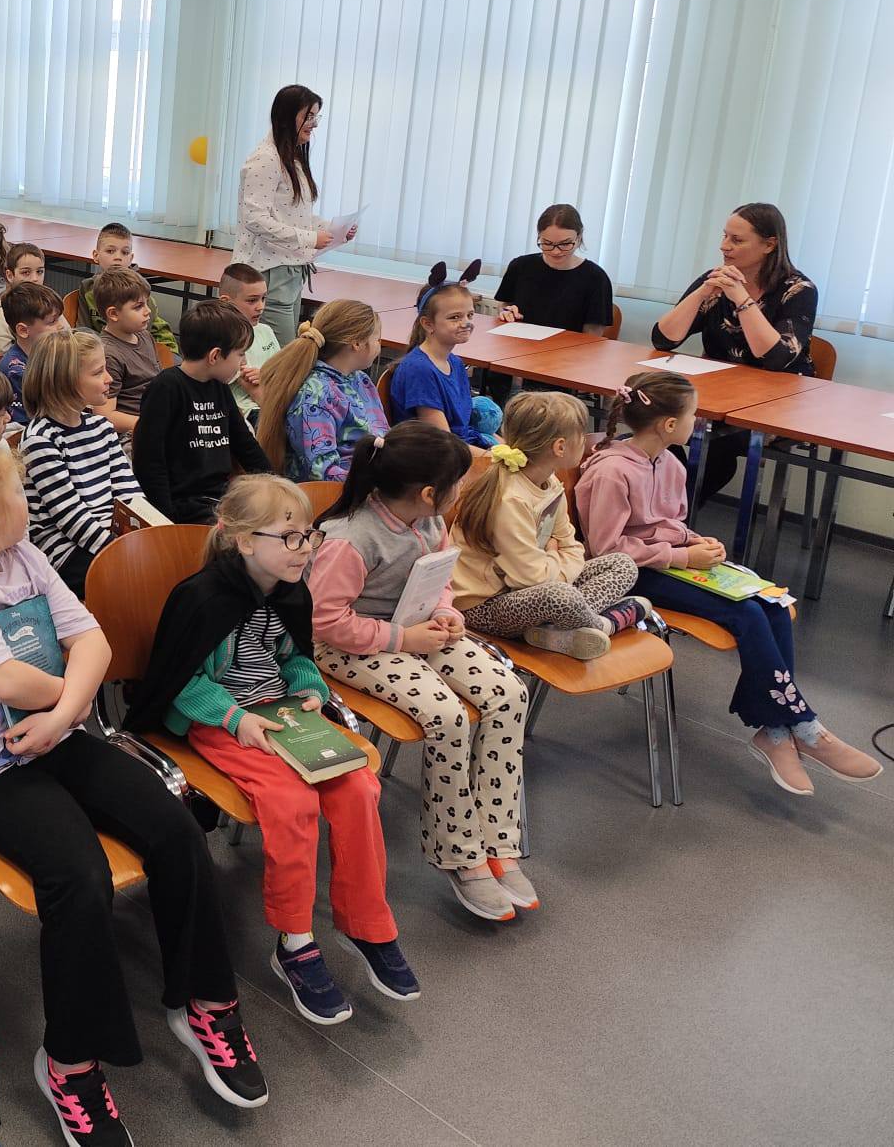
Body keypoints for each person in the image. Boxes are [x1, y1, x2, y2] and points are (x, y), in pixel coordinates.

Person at [0, 444, 265, 1138]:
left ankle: (205, 1002)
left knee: (177, 827)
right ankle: (69, 1063)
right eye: (20, 491)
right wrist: (72, 700)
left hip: (55, 738)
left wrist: (63, 716)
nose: (28, 503)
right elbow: (6, 680)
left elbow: (92, 642)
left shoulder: (24, 556)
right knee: (79, 876)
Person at [126, 475, 419, 1025]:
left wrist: (310, 689)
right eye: (289, 537)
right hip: (221, 719)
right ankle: (294, 941)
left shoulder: (290, 593)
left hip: (281, 712)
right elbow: (179, 681)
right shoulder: (200, 598)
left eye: (308, 535)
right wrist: (236, 719)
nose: (304, 548)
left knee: (359, 786)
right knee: (291, 802)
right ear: (242, 540)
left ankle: (366, 923)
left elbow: (296, 659)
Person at [575, 370, 882, 793]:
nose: (698, 421)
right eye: (693, 414)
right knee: (747, 615)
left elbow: (670, 523)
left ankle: (777, 732)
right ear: (669, 424)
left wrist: (694, 541)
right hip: (630, 576)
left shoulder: (669, 462)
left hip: (669, 562)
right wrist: (683, 555)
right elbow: (605, 549)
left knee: (772, 605)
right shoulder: (611, 471)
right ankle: (803, 727)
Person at [308, 426, 537, 921]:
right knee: (447, 716)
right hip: (351, 646)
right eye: (459, 481)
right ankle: (461, 856)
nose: (464, 488)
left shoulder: (431, 519)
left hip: (417, 628)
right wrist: (402, 640)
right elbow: (324, 622)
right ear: (430, 492)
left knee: (508, 693)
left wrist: (447, 611)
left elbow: (441, 576)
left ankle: (498, 842)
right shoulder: (349, 539)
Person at [451, 392, 650, 660]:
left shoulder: (550, 483)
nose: (585, 440)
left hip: (531, 587)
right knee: (560, 596)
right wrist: (555, 555)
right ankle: (605, 624)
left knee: (623, 564)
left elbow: (572, 546)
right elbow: (529, 578)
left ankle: (554, 631)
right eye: (581, 435)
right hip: (485, 605)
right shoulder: (511, 499)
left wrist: (553, 557)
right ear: (560, 447)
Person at [650, 202, 818, 506]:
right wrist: (702, 293)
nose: (724, 246)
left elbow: (774, 358)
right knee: (655, 423)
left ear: (769, 245)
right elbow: (664, 339)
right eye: (724, 236)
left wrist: (741, 298)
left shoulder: (798, 290)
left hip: (776, 405)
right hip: (719, 395)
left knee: (718, 446)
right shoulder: (716, 278)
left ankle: (674, 512)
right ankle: (663, 506)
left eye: (737, 240)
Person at [19, 328, 138, 596]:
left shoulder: (101, 427)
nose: (109, 379)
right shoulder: (40, 439)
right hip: (65, 550)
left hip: (109, 537)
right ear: (65, 383)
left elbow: (129, 491)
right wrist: (120, 550)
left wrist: (146, 534)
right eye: (98, 372)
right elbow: (70, 517)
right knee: (138, 581)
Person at [132, 299, 272, 524]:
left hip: (221, 500)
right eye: (240, 354)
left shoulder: (219, 386)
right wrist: (166, 522)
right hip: (184, 507)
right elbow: (149, 462)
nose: (243, 362)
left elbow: (245, 444)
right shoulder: (166, 388)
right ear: (215, 356)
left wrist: (275, 485)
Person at [233, 85, 342, 346]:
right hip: (268, 271)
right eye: (309, 116)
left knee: (284, 350)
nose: (314, 124)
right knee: (279, 356)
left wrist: (332, 229)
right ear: (287, 116)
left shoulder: (291, 158)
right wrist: (310, 238)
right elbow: (255, 219)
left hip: (289, 270)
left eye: (316, 116)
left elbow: (294, 214)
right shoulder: (265, 159)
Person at [255, 300, 386, 483]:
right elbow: (321, 471)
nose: (379, 345)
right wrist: (381, 482)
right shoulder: (315, 395)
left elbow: (382, 435)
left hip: (370, 480)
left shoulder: (360, 380)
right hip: (332, 493)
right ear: (357, 343)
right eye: (377, 339)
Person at [386, 276, 501, 446]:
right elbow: (443, 442)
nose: (466, 323)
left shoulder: (455, 363)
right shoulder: (419, 370)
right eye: (455, 317)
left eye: (470, 315)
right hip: (438, 455)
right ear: (428, 324)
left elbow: (464, 427)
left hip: (460, 446)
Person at [493, 204, 614, 336]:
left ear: (579, 238)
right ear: (539, 236)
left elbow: (592, 334)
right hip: (519, 343)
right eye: (547, 243)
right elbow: (504, 304)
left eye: (565, 244)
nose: (556, 252)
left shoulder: (596, 278)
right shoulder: (520, 266)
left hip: (567, 347)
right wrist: (506, 312)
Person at [75, 224, 176, 351]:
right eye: (110, 251)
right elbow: (83, 330)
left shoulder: (139, 287)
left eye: (125, 252)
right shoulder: (87, 288)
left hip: (147, 346)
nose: (118, 257)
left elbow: (146, 330)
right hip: (105, 349)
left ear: (131, 258)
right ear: (96, 255)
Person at [216, 263, 281, 429]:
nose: (261, 307)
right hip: (247, 412)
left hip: (272, 400)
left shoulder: (265, 331)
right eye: (252, 300)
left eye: (263, 298)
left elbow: (280, 372)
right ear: (226, 302)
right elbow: (251, 388)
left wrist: (265, 376)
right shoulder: (221, 338)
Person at [93, 269, 159, 429]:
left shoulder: (144, 335)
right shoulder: (108, 354)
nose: (148, 311)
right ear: (113, 314)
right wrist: (153, 425)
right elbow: (105, 416)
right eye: (138, 306)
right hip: (133, 431)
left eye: (147, 303)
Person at [0, 281, 62, 428]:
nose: (60, 326)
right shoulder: (15, 372)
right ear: (23, 330)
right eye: (52, 322)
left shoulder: (54, 354)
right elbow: (25, 426)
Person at [0, 244, 47, 354]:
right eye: (26, 272)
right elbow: (1, 354)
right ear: (10, 276)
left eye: (39, 272)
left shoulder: (49, 304)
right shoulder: (4, 312)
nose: (35, 279)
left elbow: (67, 335)